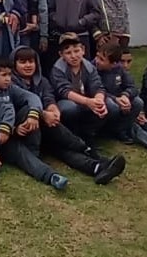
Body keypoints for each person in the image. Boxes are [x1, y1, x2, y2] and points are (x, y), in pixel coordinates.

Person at [10, 47, 127, 185]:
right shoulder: (10, 83)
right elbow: (16, 108)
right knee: (32, 113)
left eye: (31, 61)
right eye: (22, 62)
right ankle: (87, 150)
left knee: (63, 149)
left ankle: (96, 167)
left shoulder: (42, 81)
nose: (28, 65)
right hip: (24, 129)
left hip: (46, 130)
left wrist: (54, 111)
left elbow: (48, 98)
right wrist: (43, 114)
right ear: (14, 64)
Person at [0, 55, 69, 191]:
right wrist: (13, 130)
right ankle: (51, 176)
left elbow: (32, 97)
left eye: (9, 75)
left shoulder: (10, 88)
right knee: (20, 152)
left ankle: (81, 150)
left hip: (10, 133)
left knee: (30, 111)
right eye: (4, 75)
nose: (8, 79)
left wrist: (33, 114)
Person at [49, 32, 118, 139]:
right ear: (61, 55)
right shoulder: (58, 69)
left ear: (83, 50)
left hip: (87, 100)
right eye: (68, 53)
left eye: (77, 51)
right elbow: (64, 91)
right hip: (65, 102)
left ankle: (91, 132)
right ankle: (72, 134)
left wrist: (98, 101)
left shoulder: (89, 67)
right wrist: (88, 102)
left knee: (111, 106)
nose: (73, 56)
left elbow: (97, 86)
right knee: (70, 108)